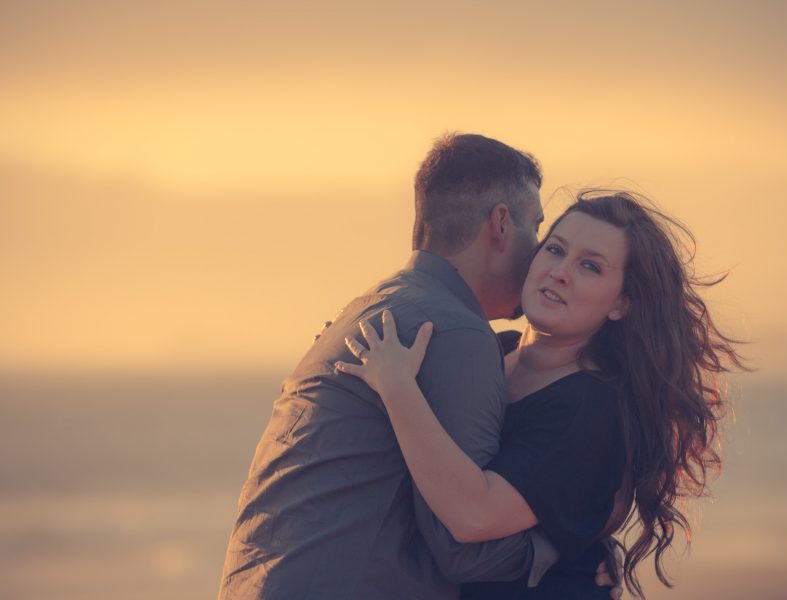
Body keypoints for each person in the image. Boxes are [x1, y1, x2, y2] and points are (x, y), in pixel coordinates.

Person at [217, 134, 621, 599]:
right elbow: (464, 548)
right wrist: (567, 551)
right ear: (501, 225)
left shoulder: (371, 309)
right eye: (539, 231)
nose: (541, 256)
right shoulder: (455, 335)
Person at [337, 190, 744, 599]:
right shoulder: (491, 351)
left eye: (590, 266)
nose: (560, 272)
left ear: (621, 303)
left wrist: (396, 386)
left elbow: (474, 515)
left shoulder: (590, 407)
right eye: (554, 249)